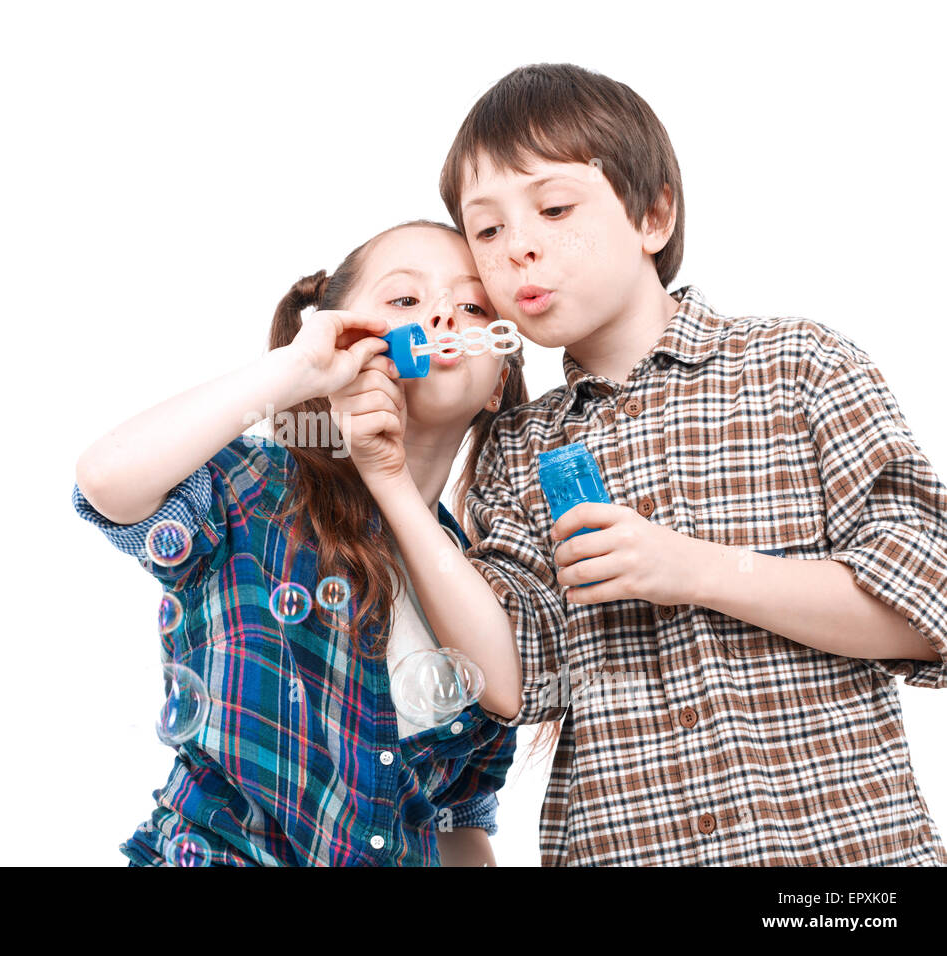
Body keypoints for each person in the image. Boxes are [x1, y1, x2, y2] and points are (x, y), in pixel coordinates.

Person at [345, 62, 947, 866]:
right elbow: (516, 679)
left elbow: (929, 601)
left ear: (653, 214)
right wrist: (393, 487)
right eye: (486, 230)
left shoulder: (799, 366)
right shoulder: (518, 449)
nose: (518, 245)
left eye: (554, 208)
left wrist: (689, 568)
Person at [70, 219, 529, 865]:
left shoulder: (487, 591)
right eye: (405, 300)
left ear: (501, 381)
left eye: (474, 305)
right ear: (341, 337)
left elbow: (457, 822)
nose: (443, 316)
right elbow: (107, 480)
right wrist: (299, 370)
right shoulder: (255, 489)